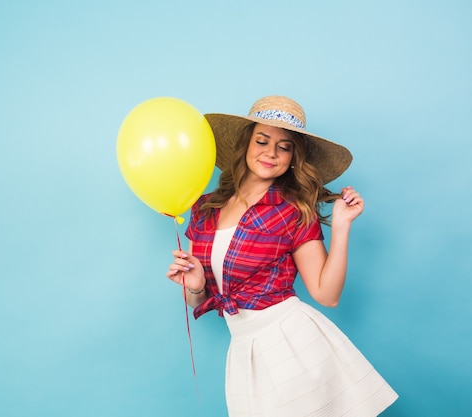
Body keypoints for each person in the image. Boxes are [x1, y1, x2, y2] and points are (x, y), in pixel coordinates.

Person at [166, 96, 398, 417]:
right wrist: (194, 286)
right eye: (262, 141)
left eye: (284, 146)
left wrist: (342, 226)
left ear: (293, 158)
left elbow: (326, 295)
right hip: (243, 352)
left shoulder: (293, 210)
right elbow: (197, 300)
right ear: (246, 144)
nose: (271, 153)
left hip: (290, 345)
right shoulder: (205, 208)